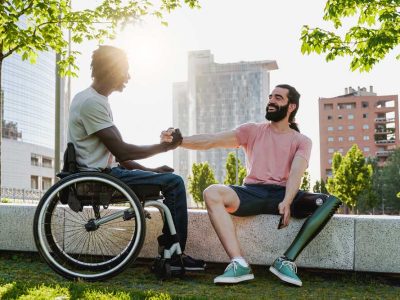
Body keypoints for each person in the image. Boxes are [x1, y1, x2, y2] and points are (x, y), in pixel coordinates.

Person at [162, 84, 341, 286]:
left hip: (284, 194)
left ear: (291, 106)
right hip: (252, 193)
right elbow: (212, 140)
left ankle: (285, 261)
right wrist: (180, 140)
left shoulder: (302, 140)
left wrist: (287, 201)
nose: (271, 101)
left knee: (327, 201)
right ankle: (239, 264)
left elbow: (296, 173)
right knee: (211, 192)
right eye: (271, 96)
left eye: (278, 98)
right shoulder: (252, 130)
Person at [67, 45, 205, 272]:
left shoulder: (93, 99)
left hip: (104, 172)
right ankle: (173, 254)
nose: (128, 77)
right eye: (125, 71)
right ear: (111, 70)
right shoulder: (92, 103)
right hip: (100, 177)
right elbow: (123, 152)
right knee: (176, 182)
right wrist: (164, 147)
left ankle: (171, 251)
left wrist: (152, 172)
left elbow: (119, 156)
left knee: (167, 178)